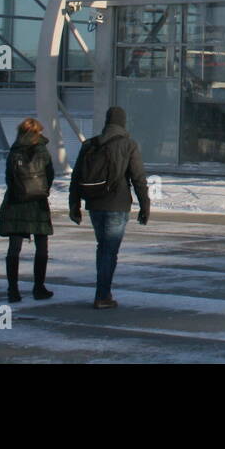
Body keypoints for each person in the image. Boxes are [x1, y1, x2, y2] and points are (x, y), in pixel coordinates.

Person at [69, 106, 151, 309]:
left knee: (103, 247)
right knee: (109, 250)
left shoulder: (90, 144)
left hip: (95, 203)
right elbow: (138, 178)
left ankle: (103, 290)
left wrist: (74, 205)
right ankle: (102, 295)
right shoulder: (128, 145)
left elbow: (76, 176)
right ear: (123, 122)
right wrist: (144, 205)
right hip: (118, 204)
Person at [0, 118, 55, 303]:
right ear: (37, 132)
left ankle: (13, 290)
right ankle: (39, 287)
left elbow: (9, 178)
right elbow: (50, 176)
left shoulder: (14, 151)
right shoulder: (42, 150)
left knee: (14, 248)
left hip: (15, 202)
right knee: (42, 247)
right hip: (37, 203)